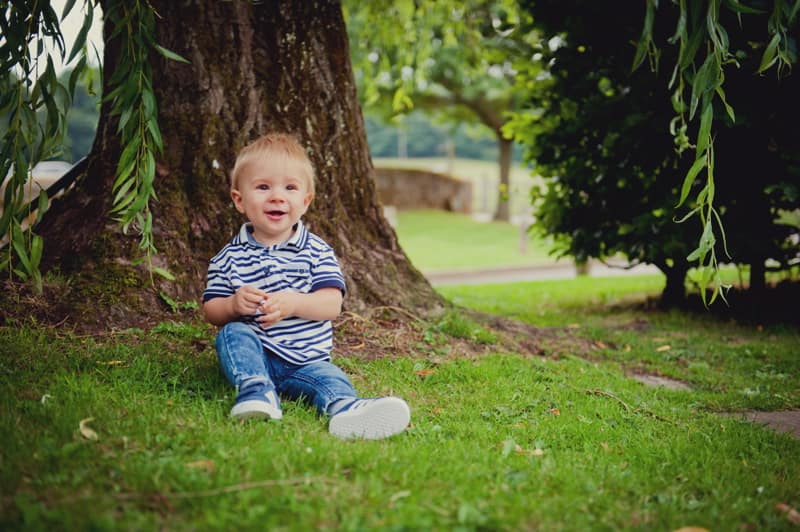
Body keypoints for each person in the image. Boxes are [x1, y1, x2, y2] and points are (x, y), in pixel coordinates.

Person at [202, 132, 410, 440]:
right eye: (262, 187)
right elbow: (211, 310)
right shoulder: (229, 257)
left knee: (331, 378)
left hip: (307, 360)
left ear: (305, 200)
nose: (277, 196)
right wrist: (232, 305)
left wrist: (294, 303)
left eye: (290, 187)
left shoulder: (316, 251)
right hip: (256, 354)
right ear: (239, 200)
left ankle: (345, 409)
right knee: (232, 333)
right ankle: (256, 392)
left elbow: (331, 305)